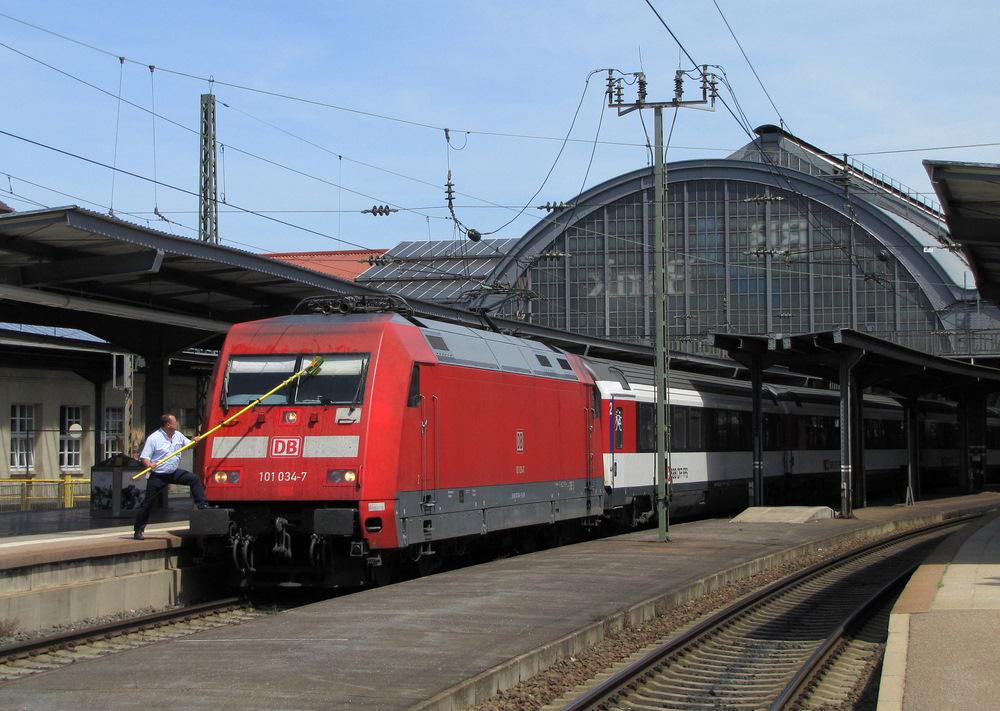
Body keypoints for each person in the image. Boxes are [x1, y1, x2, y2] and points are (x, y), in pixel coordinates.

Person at [133, 413, 213, 540]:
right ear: (168, 424)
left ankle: (202, 504)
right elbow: (144, 457)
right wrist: (149, 464)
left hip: (173, 472)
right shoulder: (154, 438)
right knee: (147, 504)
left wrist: (195, 441)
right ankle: (138, 530)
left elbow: (190, 445)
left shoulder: (178, 435)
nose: (177, 424)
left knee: (194, 479)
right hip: (158, 475)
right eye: (175, 422)